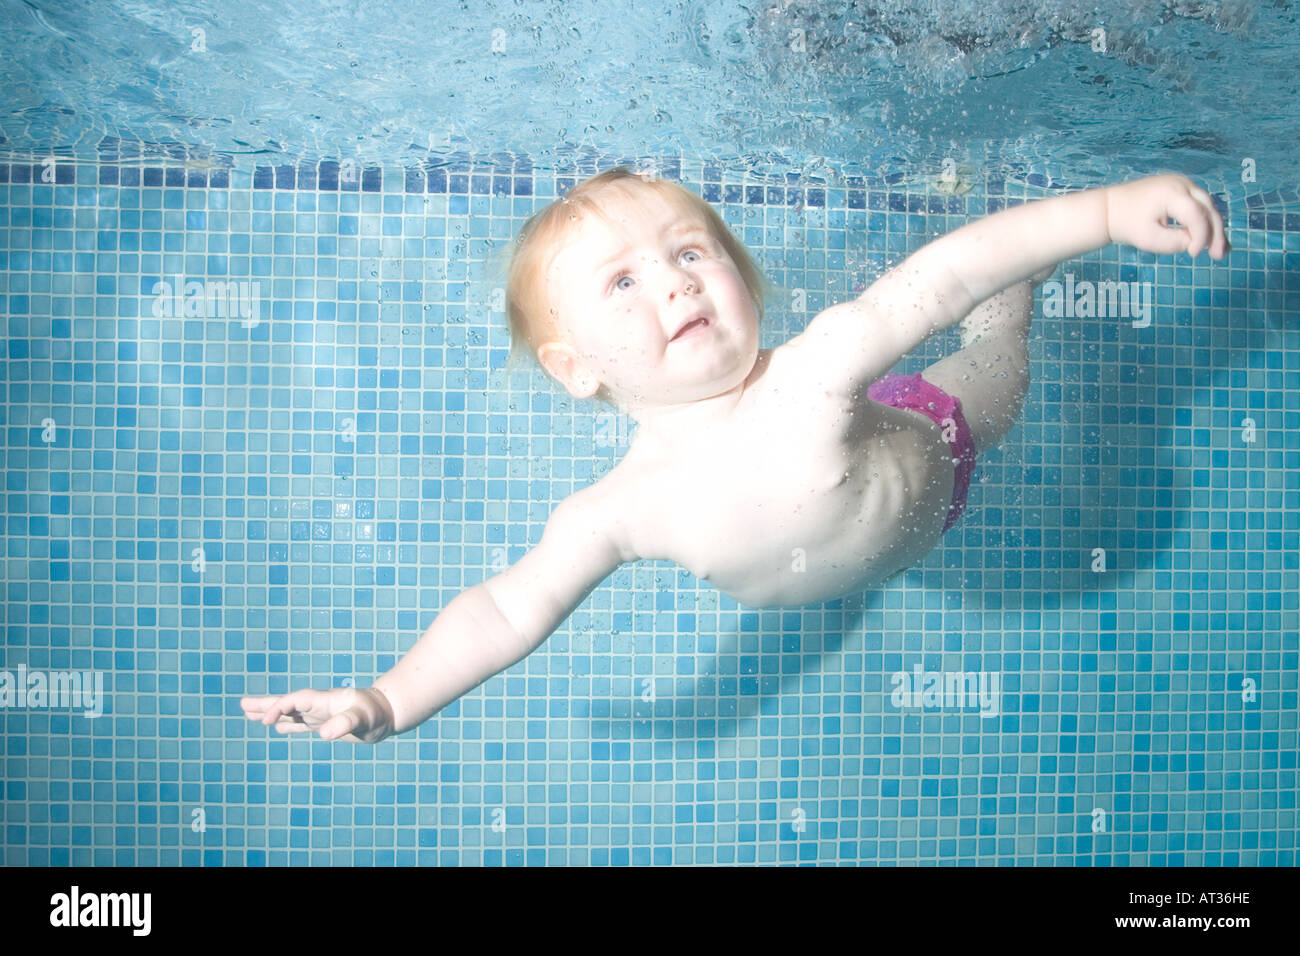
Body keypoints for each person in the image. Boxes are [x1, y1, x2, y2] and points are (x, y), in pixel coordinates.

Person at [241, 166, 1228, 742]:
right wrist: (387, 697)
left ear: (743, 277)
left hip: (934, 440)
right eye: (622, 282)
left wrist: (1101, 213)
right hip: (856, 544)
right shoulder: (615, 510)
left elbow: (942, 273)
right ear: (576, 366)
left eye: (690, 251)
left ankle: (1022, 303)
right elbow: (504, 606)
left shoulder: (817, 364)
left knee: (994, 361)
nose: (674, 284)